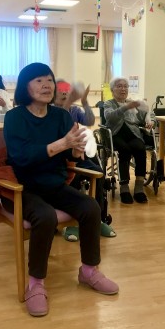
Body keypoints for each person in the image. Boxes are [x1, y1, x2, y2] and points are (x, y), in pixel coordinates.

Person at [3, 63, 118, 317]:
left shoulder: (61, 116)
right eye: (38, 80)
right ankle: (36, 284)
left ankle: (89, 270)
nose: (46, 85)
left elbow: (70, 156)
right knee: (45, 216)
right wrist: (61, 144)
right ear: (25, 86)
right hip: (21, 188)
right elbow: (21, 157)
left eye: (49, 80)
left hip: (53, 185)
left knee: (91, 207)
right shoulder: (14, 117)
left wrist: (75, 150)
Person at [53, 79, 116, 240]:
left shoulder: (74, 110)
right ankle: (71, 223)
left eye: (66, 89)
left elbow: (90, 121)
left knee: (99, 174)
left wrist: (84, 101)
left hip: (77, 153)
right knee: (74, 179)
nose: (64, 92)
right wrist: (69, 101)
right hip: (58, 157)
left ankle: (98, 219)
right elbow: (58, 122)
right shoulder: (49, 111)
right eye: (60, 89)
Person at [103, 77, 154, 204]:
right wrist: (125, 107)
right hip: (115, 135)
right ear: (112, 90)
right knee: (124, 150)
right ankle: (124, 187)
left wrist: (150, 121)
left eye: (125, 86)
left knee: (140, 148)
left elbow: (148, 113)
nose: (123, 89)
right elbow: (110, 117)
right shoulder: (109, 104)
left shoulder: (133, 103)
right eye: (119, 86)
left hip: (133, 134)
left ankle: (139, 187)